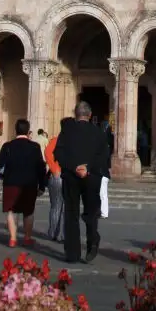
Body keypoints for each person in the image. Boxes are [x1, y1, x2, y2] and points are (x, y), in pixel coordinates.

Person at [55, 101, 110, 264]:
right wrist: (88, 169)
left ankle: (72, 253)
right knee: (91, 212)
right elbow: (104, 155)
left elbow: (58, 152)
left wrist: (74, 167)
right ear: (90, 115)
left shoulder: (66, 131)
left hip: (71, 176)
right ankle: (92, 242)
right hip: (91, 177)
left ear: (75, 114)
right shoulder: (99, 132)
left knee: (71, 214)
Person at [0, 118, 48, 248]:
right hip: (29, 184)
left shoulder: (8, 146)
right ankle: (27, 237)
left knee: (11, 211)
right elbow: (40, 167)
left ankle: (12, 239)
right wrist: (42, 185)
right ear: (28, 131)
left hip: (11, 182)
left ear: (15, 130)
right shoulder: (35, 147)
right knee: (28, 212)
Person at [44, 124, 65, 242]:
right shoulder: (73, 141)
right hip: (64, 176)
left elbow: (47, 152)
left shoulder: (56, 140)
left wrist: (53, 169)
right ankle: (61, 234)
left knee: (56, 206)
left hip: (57, 176)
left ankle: (53, 232)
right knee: (64, 208)